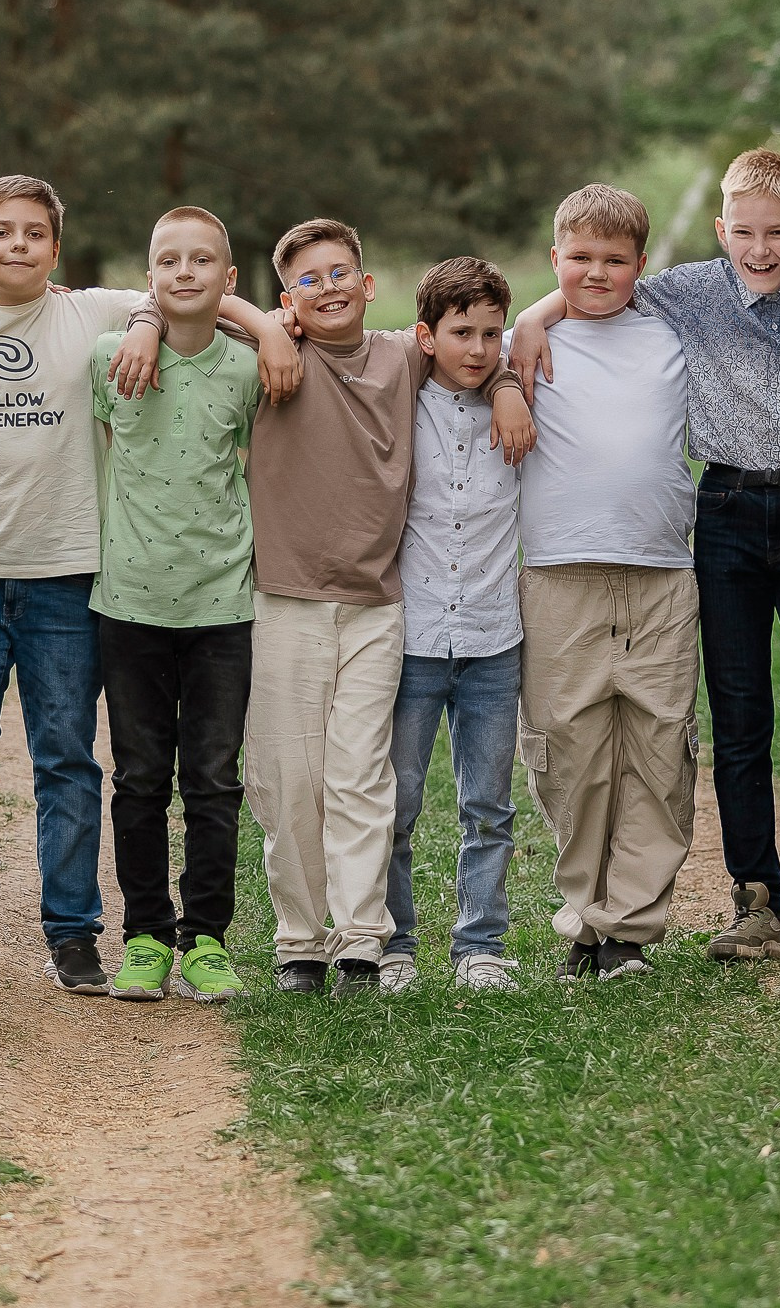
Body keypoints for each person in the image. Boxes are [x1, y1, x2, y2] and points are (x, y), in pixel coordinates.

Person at [0, 176, 296, 995]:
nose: (19, 245)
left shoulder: (93, 313)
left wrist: (261, 332)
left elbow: (176, 294)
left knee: (68, 754)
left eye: (35, 233)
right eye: (1, 233)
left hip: (71, 576)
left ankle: (73, 930)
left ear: (57, 252)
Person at [510, 149, 780, 959]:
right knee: (739, 718)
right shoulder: (689, 292)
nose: (760, 248)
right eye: (743, 232)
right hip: (727, 510)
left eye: (779, 233)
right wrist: (530, 319)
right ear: (719, 231)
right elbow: (588, 282)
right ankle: (756, 899)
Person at [246, 218, 533, 996]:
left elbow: (481, 345)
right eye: (309, 280)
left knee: (367, 782)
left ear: (368, 287)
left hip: (382, 608)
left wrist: (507, 384)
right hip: (288, 596)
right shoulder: (267, 355)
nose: (329, 287)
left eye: (342, 273)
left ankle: (367, 944)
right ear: (287, 299)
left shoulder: (401, 357)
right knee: (289, 780)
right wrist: (264, 328)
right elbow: (185, 313)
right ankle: (302, 942)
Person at [512, 185, 701, 981]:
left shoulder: (671, 332)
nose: (597, 273)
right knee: (570, 752)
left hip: (661, 571)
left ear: (640, 266)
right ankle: (584, 917)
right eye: (580, 259)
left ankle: (629, 927)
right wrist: (526, 324)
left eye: (615, 261)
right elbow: (449, 348)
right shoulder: (526, 344)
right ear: (555, 261)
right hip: (560, 571)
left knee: (661, 752)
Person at [91, 208, 263, 1003]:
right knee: (137, 780)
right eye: (168, 260)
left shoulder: (252, 369)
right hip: (128, 606)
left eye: (202, 261)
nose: (185, 272)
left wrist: (277, 335)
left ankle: (206, 939)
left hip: (224, 606)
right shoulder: (109, 360)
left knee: (212, 781)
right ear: (149, 278)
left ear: (229, 281)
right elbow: (73, 456)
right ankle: (146, 936)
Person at [380, 257, 527, 994]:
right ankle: (394, 943)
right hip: (411, 638)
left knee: (488, 805)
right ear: (426, 336)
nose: (478, 348)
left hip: (493, 639)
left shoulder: (522, 402)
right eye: (461, 332)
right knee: (397, 802)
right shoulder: (395, 399)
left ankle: (481, 945)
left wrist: (507, 386)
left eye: (491, 333)